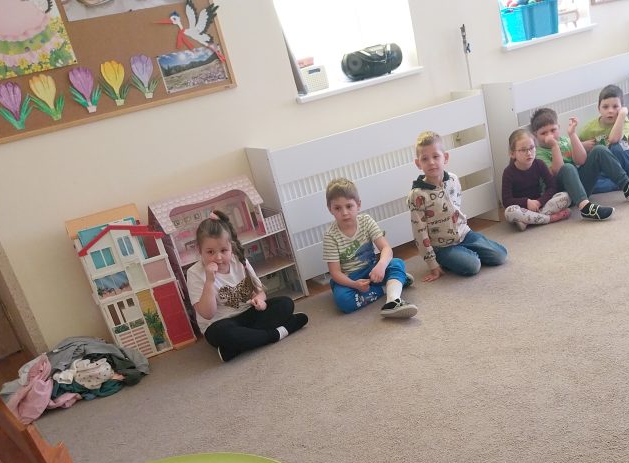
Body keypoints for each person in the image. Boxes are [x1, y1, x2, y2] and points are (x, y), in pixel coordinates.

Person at [187, 210, 307, 362]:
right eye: (210, 252)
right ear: (200, 250)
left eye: (224, 250)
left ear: (231, 247)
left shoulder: (239, 260)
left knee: (285, 303)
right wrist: (209, 281)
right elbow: (207, 314)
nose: (218, 257)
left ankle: (235, 348)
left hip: (248, 314)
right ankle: (280, 331)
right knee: (225, 333)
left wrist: (260, 301)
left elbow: (259, 292)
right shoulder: (194, 273)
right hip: (221, 324)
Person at [407, 131, 508, 279]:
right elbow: (419, 232)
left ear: (445, 158)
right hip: (442, 246)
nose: (431, 162)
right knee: (473, 266)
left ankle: (467, 250)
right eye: (425, 159)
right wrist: (432, 264)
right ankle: (452, 258)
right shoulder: (417, 195)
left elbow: (456, 208)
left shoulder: (453, 180)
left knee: (501, 255)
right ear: (418, 163)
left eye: (436, 156)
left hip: (465, 234)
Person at [530, 107, 629, 222]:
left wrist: (572, 134)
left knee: (599, 150)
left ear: (559, 127)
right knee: (568, 167)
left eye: (553, 130)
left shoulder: (564, 141)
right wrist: (554, 147)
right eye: (543, 133)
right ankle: (585, 208)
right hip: (562, 194)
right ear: (535, 135)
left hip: (581, 188)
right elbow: (557, 171)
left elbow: (581, 160)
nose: (550, 135)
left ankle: (627, 186)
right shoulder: (539, 153)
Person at [324, 178, 417, 318]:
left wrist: (381, 265)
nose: (344, 212)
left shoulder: (366, 221)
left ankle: (393, 300)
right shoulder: (330, 236)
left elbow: (386, 248)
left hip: (372, 270)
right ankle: (391, 285)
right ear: (330, 209)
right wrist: (354, 285)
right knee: (343, 300)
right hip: (350, 278)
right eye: (338, 208)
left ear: (358, 205)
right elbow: (335, 272)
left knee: (397, 263)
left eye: (349, 206)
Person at [501, 128, 572, 231]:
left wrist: (539, 202)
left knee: (566, 196)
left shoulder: (539, 164)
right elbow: (506, 200)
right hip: (521, 208)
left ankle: (528, 221)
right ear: (512, 154)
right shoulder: (508, 172)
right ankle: (550, 218)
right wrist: (526, 202)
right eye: (523, 150)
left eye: (531, 148)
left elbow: (552, 186)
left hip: (540, 206)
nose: (529, 153)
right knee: (509, 212)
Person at [577, 84, 629, 183]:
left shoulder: (624, 120)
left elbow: (614, 139)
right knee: (591, 184)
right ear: (599, 108)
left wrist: (622, 114)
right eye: (605, 107)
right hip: (604, 169)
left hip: (623, 161)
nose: (610, 111)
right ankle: (625, 181)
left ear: (622, 107)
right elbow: (575, 147)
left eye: (615, 107)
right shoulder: (589, 128)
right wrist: (582, 145)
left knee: (617, 146)